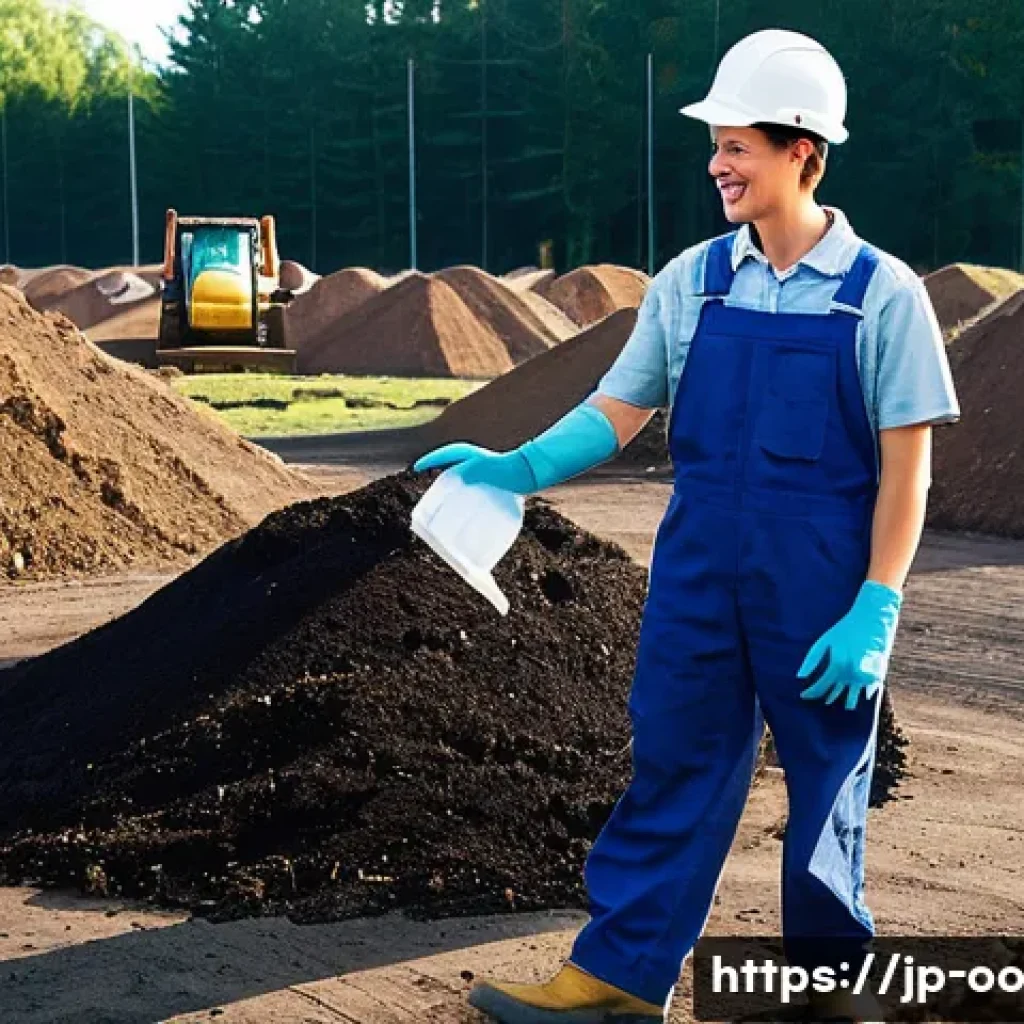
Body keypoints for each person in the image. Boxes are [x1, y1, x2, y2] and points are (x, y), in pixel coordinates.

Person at [415, 28, 960, 1024]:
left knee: (825, 787)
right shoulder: (693, 281)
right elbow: (614, 411)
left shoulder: (881, 297)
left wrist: (876, 604)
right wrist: (517, 467)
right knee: (673, 765)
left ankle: (834, 993)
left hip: (820, 582)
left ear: (802, 151)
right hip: (700, 574)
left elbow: (906, 473)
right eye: (716, 146)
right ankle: (619, 981)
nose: (717, 164)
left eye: (737, 146)